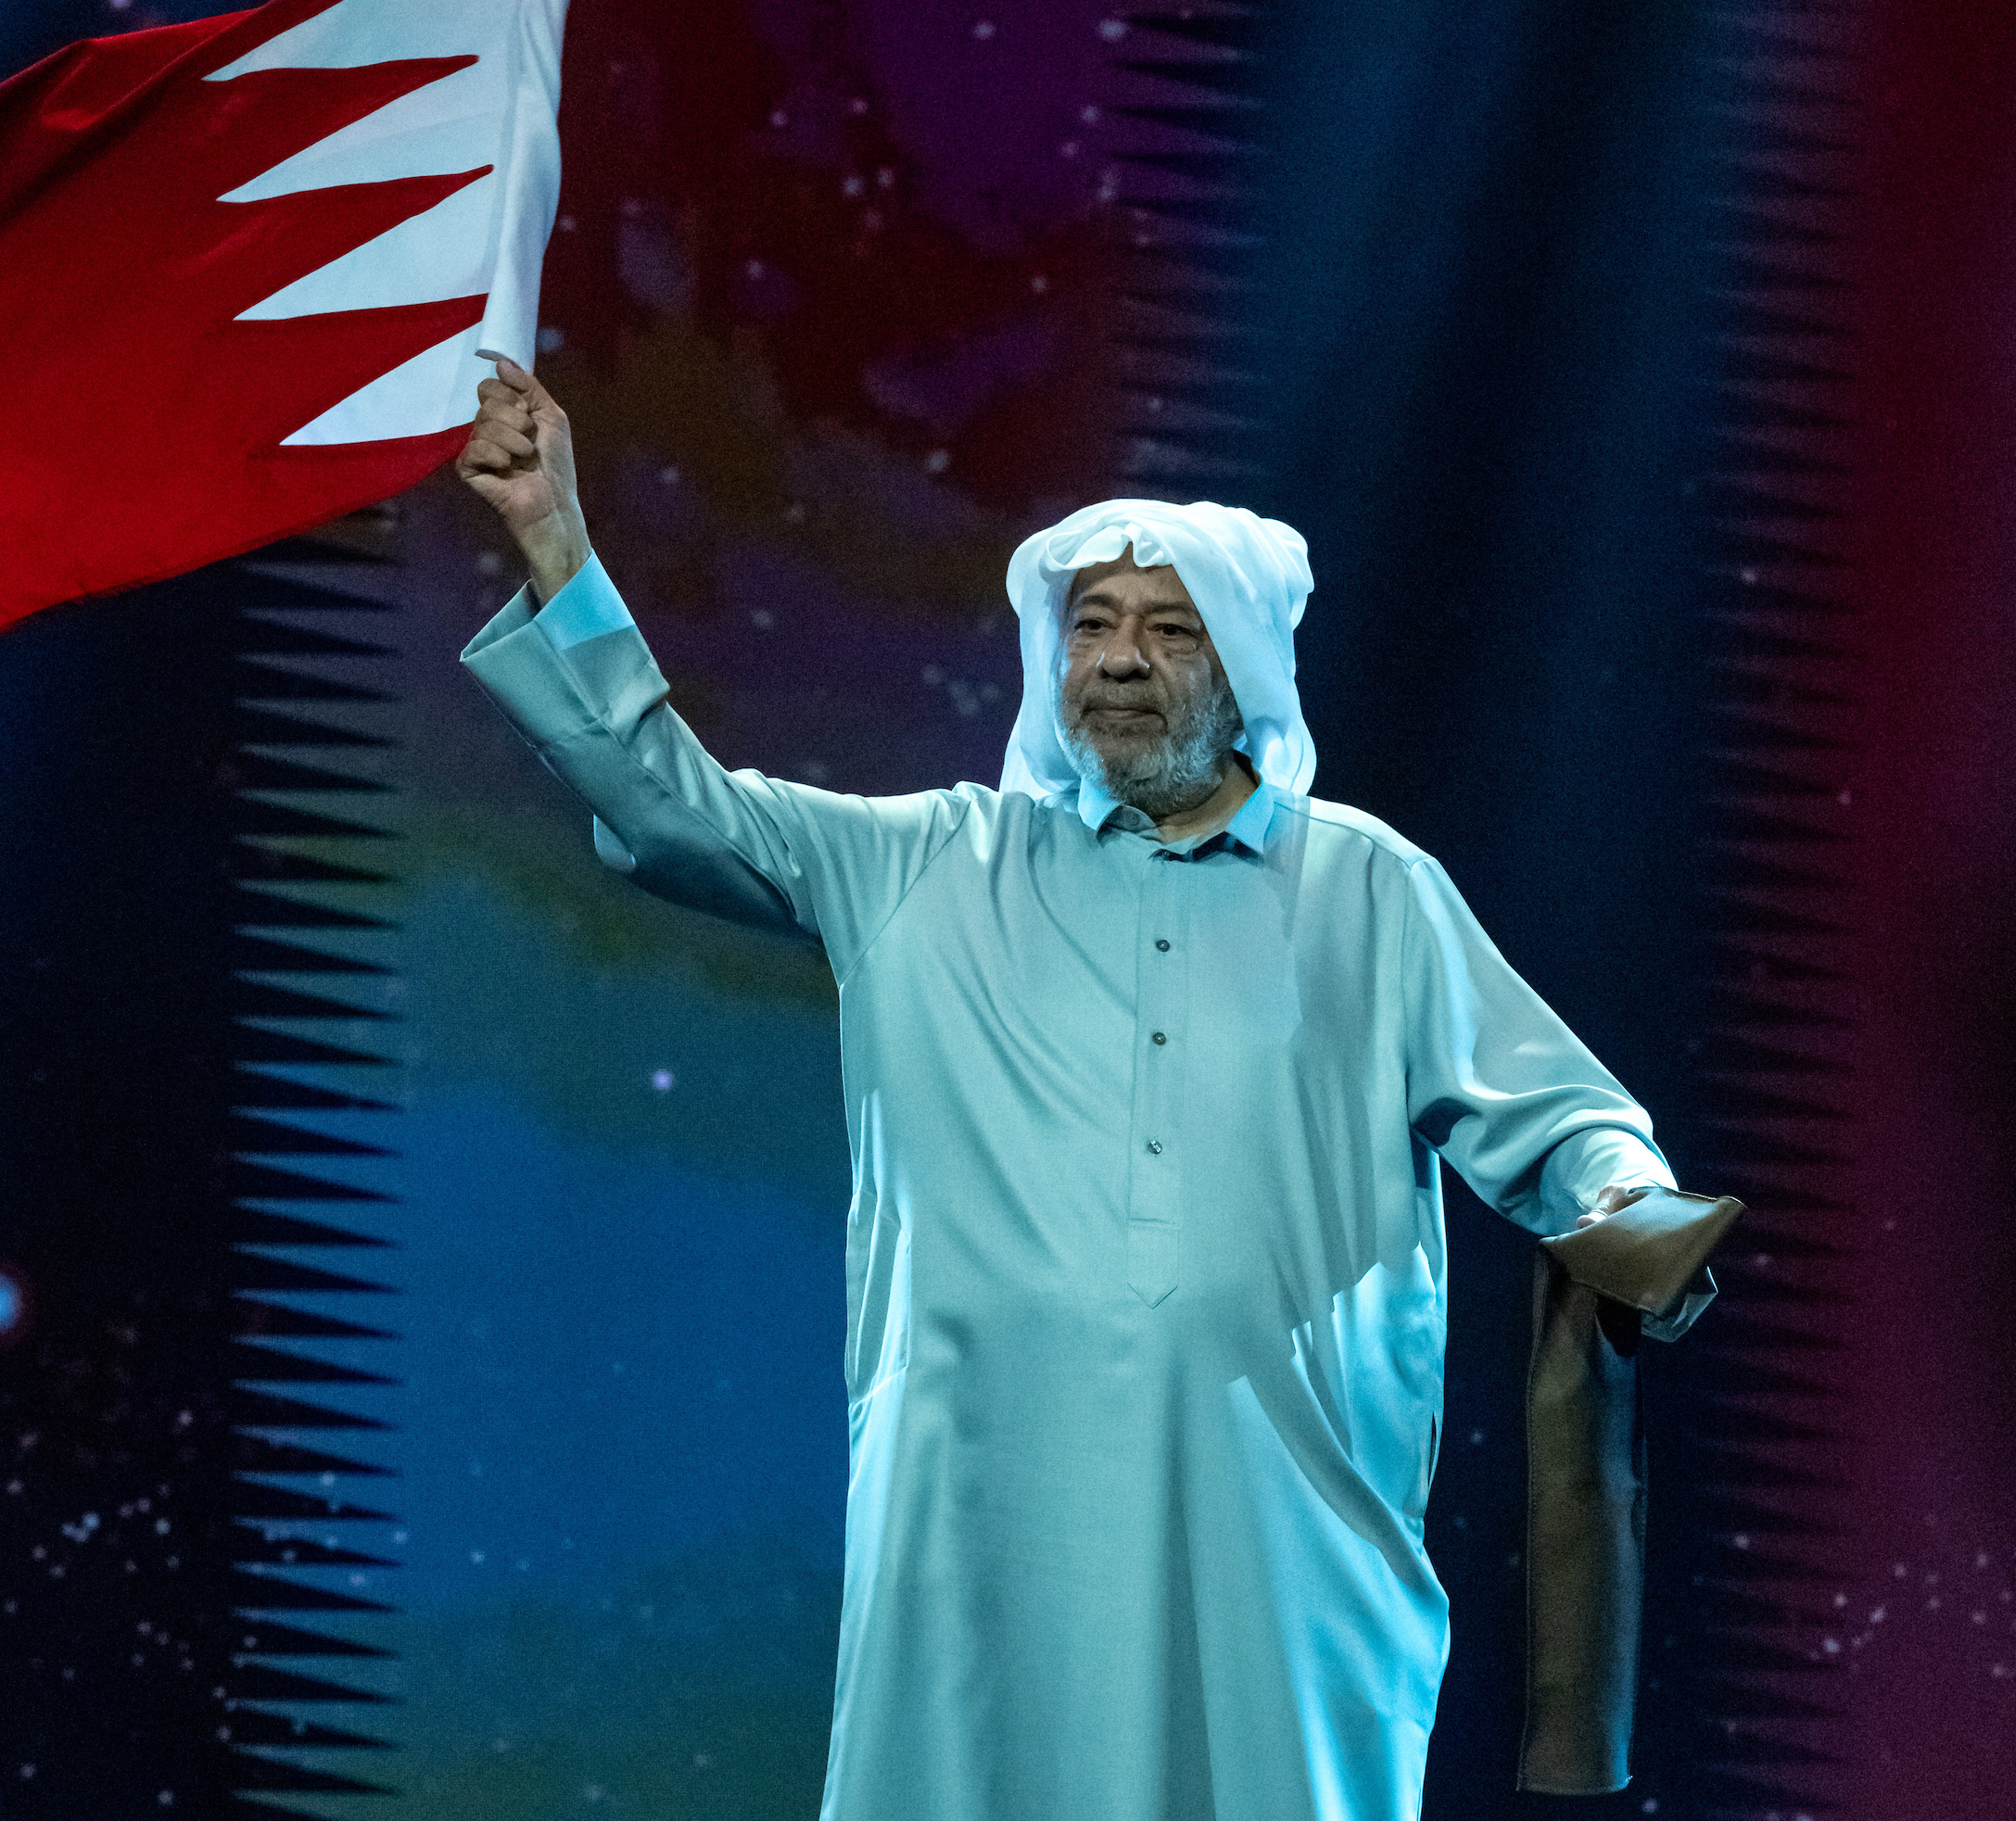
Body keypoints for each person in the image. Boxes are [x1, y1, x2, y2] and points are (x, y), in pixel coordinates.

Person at [453, 358, 1686, 1821]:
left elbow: (1566, 1122)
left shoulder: (1368, 892)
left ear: (1245, 672)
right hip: (980, 1519)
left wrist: (1627, 1200)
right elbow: (669, 804)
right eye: (1092, 625)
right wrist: (557, 542)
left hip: (1279, 1530)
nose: (1118, 660)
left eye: (1170, 629)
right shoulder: (921, 864)